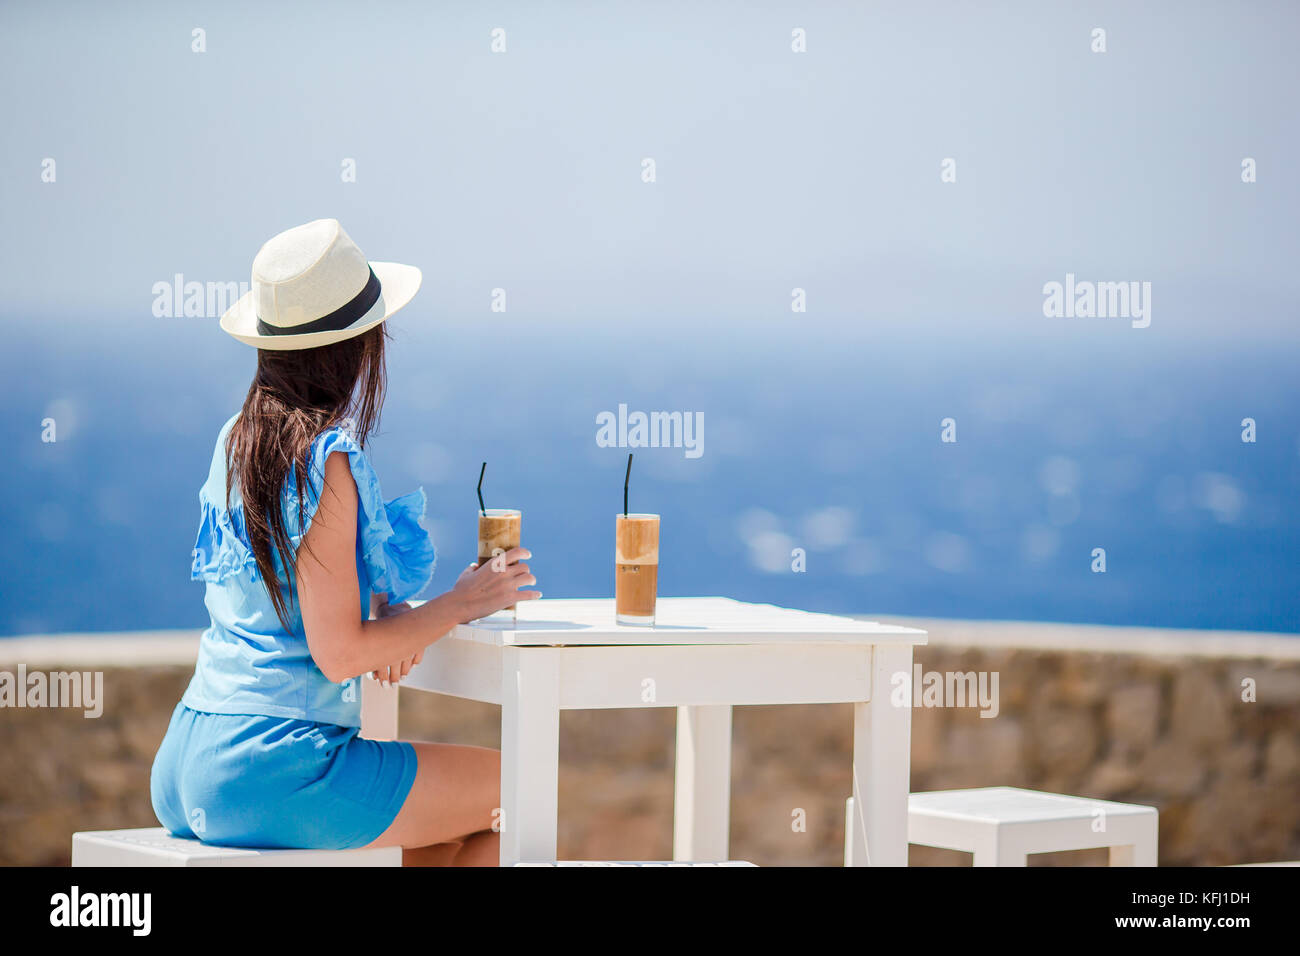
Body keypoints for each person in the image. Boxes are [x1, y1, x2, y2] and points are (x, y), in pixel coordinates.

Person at [150, 218, 540, 865]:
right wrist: (460, 604)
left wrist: (390, 623)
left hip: (189, 756)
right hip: (273, 766)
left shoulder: (236, 441)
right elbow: (338, 655)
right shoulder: (323, 459)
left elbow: (296, 606)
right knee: (522, 789)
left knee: (444, 835)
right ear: (359, 346)